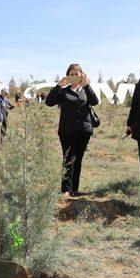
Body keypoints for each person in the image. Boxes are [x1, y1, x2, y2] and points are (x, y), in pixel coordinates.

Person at [45, 63, 99, 197]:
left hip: (84, 130)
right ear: (68, 76)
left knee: (78, 159)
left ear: (81, 75)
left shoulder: (85, 89)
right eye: (71, 74)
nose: (74, 76)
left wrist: (86, 85)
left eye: (77, 74)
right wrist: (58, 86)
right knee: (68, 159)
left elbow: (94, 101)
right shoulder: (63, 91)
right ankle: (66, 190)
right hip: (67, 131)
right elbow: (49, 102)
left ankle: (74, 189)